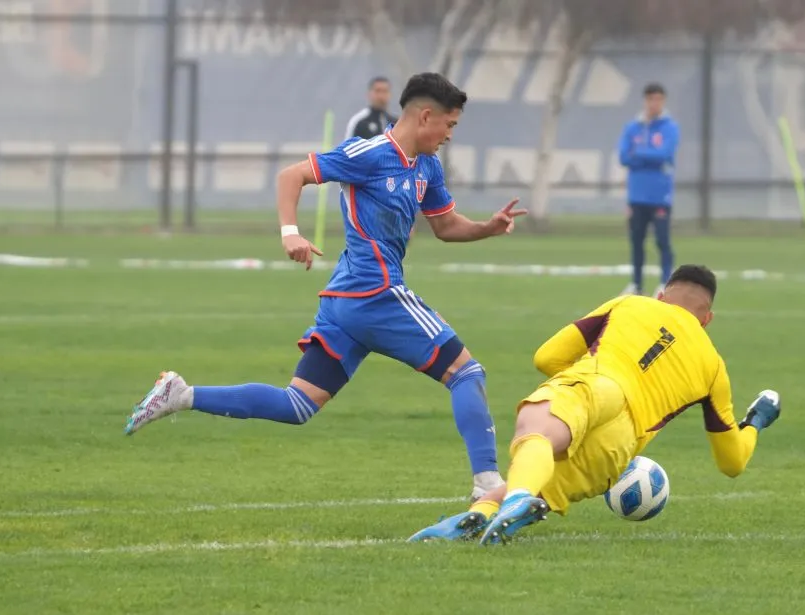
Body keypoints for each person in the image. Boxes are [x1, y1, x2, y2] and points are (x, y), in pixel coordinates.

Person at [125, 73, 528, 501]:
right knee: (466, 372)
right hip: (375, 293)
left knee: (297, 405)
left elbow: (445, 226)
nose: (450, 135)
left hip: (344, 303)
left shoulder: (426, 166)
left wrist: (487, 227)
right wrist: (289, 232)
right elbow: (291, 175)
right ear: (425, 116)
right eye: (449, 125)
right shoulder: (368, 153)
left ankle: (181, 394)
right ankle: (488, 485)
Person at [408, 265, 782, 545]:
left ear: (661, 297)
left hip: (599, 385)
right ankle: (480, 514)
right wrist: (755, 423)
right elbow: (732, 463)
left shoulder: (630, 304)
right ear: (707, 320)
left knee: (537, 427)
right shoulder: (714, 368)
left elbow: (546, 357)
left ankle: (514, 500)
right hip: (620, 445)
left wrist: (579, 380)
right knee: (539, 482)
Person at [618, 83, 681, 298]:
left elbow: (664, 154)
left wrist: (640, 154)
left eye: (658, 100)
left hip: (660, 196)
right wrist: (647, 155)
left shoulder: (670, 128)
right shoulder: (632, 128)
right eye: (650, 99)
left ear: (663, 101)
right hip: (637, 195)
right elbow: (623, 157)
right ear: (645, 101)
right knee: (636, 241)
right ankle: (636, 284)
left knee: (662, 241)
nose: (654, 104)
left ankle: (665, 282)